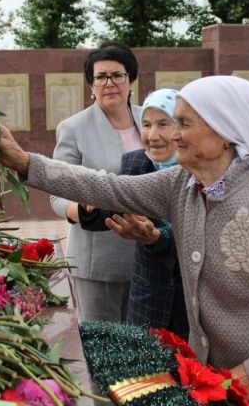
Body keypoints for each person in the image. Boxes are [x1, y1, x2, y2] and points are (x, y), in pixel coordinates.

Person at [0, 75, 249, 405]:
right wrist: (25, 162)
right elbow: (109, 187)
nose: (173, 135)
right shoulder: (181, 184)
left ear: (225, 131)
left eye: (184, 124)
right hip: (207, 375)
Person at [79, 88, 189, 340]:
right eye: (147, 124)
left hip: (191, 302)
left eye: (163, 124)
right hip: (147, 301)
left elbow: (196, 230)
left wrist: (158, 238)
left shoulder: (198, 169)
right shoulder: (135, 163)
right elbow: (116, 205)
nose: (153, 135)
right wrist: (90, 207)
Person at [50, 41, 141, 324]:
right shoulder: (74, 128)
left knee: (147, 351)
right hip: (99, 261)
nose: (109, 83)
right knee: (105, 351)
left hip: (148, 256)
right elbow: (57, 194)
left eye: (117, 75)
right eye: (100, 77)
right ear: (91, 85)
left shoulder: (150, 120)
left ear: (131, 80)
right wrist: (81, 208)